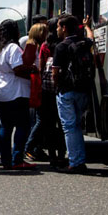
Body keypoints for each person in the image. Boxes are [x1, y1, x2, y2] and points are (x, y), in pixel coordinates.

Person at [0, 19, 37, 170]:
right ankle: (17, 158)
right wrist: (33, 70)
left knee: (5, 126)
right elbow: (17, 69)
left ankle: (5, 159)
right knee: (23, 125)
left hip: (0, 90)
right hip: (15, 91)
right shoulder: (13, 48)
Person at [52, 14, 94, 173]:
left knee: (69, 127)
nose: (56, 29)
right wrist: (87, 26)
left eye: (58, 26)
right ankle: (79, 159)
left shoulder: (61, 46)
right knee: (76, 125)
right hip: (82, 89)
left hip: (66, 90)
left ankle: (75, 162)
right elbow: (91, 38)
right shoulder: (83, 42)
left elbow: (55, 72)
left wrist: (57, 87)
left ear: (63, 28)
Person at [37, 17, 66, 168]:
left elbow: (41, 68)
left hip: (47, 90)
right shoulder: (64, 45)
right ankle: (63, 154)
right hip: (62, 88)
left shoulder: (45, 46)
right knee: (62, 124)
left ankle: (52, 156)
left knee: (48, 124)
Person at [23, 22, 48, 161]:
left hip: (36, 80)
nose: (46, 35)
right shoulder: (32, 45)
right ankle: (29, 146)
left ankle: (32, 146)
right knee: (38, 117)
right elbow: (27, 63)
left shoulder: (34, 44)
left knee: (38, 117)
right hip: (35, 81)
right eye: (44, 32)